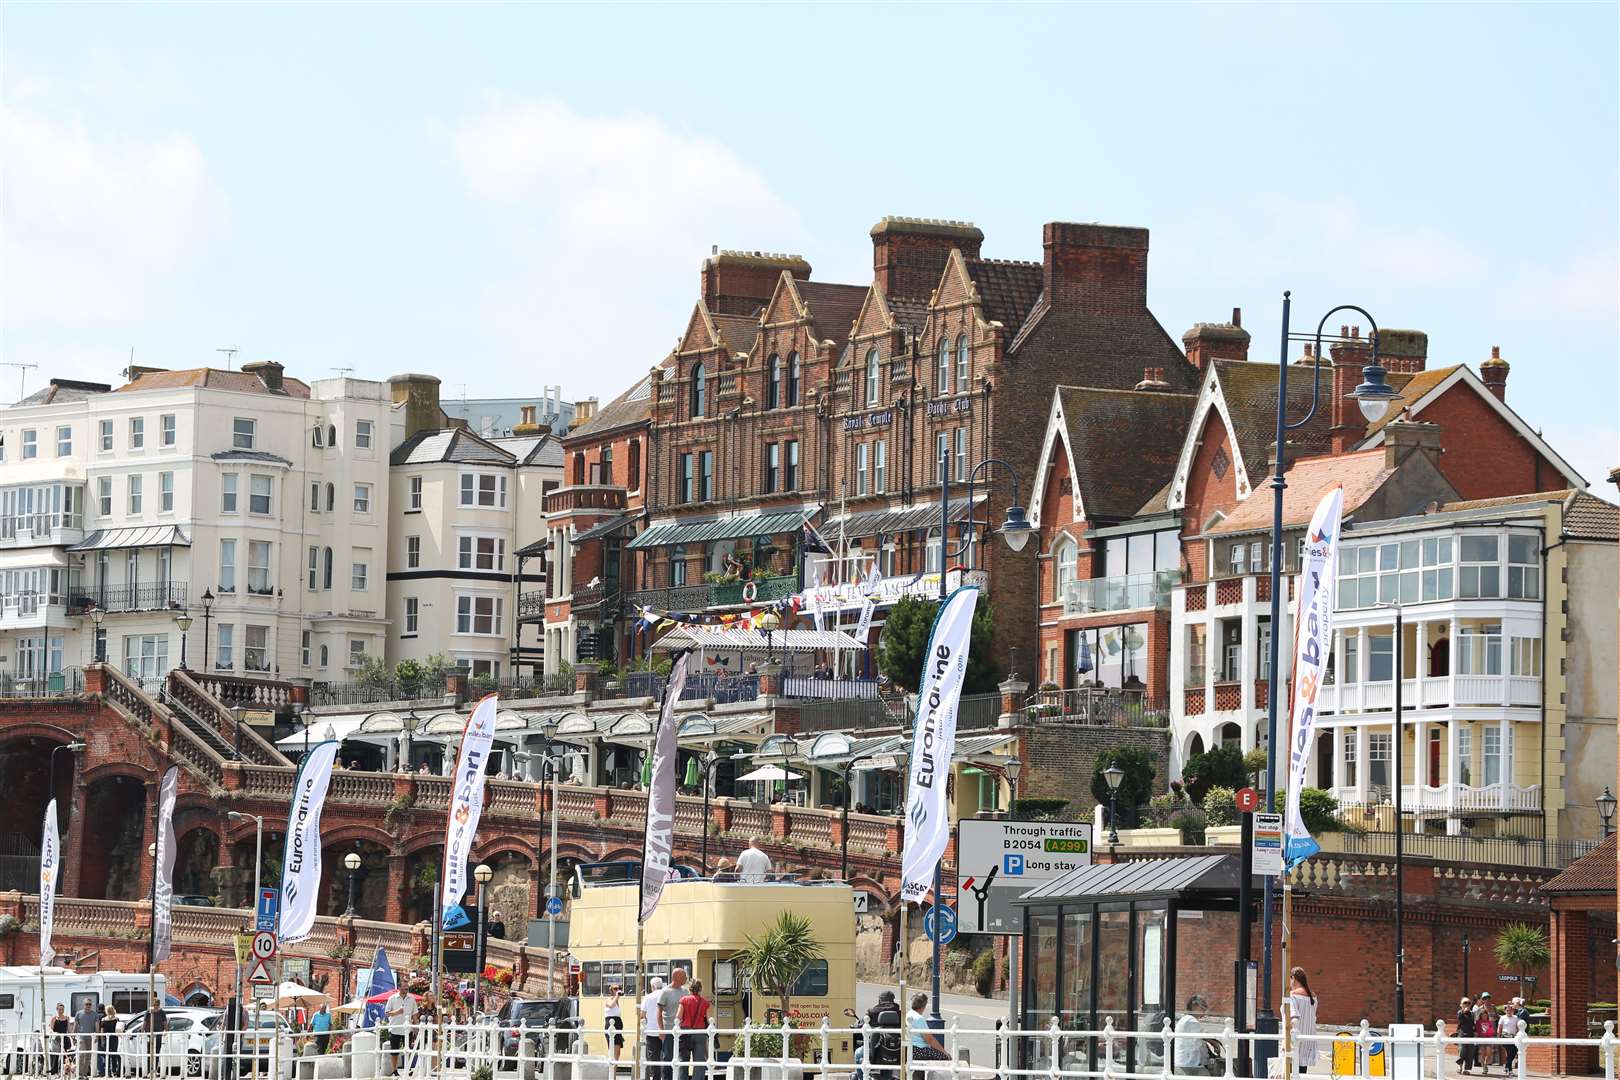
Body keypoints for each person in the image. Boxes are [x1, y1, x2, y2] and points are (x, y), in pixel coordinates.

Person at [676, 978, 711, 1080]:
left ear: (689, 989)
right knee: (699, 1063)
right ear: (700, 989)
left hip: (685, 1033)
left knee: (683, 1061)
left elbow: (678, 1017)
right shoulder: (705, 1003)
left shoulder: (684, 1000)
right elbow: (710, 1019)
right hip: (700, 1033)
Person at [906, 994, 948, 1077]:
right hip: (919, 1050)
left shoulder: (909, 1014)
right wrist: (945, 1052)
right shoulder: (919, 1018)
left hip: (910, 1049)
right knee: (944, 1058)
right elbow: (929, 1039)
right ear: (924, 1006)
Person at [1287, 968, 1318, 1074]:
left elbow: (1293, 1016)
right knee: (1302, 1071)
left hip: (1295, 1037)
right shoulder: (1312, 997)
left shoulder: (1293, 995)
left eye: (1290, 978)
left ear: (1293, 978)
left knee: (1291, 1071)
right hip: (1308, 1038)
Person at [1175, 995, 1212, 1075]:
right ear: (1195, 1007)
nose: (1204, 1011)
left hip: (1184, 1062)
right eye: (1202, 1008)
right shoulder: (1191, 1020)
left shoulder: (1186, 1019)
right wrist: (1215, 1043)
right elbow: (1203, 1036)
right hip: (1189, 1064)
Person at [384, 987, 415, 1075]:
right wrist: (397, 1012)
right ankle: (394, 1070)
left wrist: (416, 1028)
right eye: (405, 987)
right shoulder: (392, 998)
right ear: (400, 988)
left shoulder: (412, 999)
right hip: (395, 1028)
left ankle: (408, 1069)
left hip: (408, 1029)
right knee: (395, 1052)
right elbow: (386, 1013)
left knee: (408, 1050)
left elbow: (415, 1013)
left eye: (407, 987)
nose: (406, 989)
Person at [640, 977, 666, 1080]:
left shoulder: (648, 997)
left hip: (651, 1031)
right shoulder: (665, 994)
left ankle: (656, 1078)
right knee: (666, 1056)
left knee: (654, 1058)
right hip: (665, 1030)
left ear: (652, 987)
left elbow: (642, 1015)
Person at [74, 999, 99, 1078]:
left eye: (89, 1004)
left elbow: (97, 1025)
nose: (88, 1006)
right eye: (86, 1004)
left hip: (90, 1037)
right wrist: (72, 1034)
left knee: (88, 1056)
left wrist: (97, 1035)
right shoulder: (78, 1013)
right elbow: (75, 1024)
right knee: (81, 1055)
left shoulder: (95, 1014)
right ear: (83, 1004)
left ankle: (84, 1074)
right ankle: (79, 1073)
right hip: (81, 1037)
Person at [221, 997, 242, 1080]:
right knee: (230, 1058)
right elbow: (223, 1024)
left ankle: (226, 1076)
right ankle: (226, 1075)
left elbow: (223, 1024)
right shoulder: (243, 1011)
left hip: (231, 1037)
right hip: (230, 1037)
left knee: (226, 1058)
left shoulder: (228, 1011)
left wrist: (222, 1036)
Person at [603, 984, 625, 1061]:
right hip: (611, 1025)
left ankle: (614, 1072)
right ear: (611, 990)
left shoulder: (617, 1001)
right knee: (612, 1051)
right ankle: (611, 1071)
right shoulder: (609, 999)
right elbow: (611, 1005)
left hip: (618, 1026)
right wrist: (617, 996)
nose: (618, 990)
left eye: (619, 988)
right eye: (615, 988)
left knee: (617, 1052)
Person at [1456, 997, 1478, 1074]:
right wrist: (1464, 1012)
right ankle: (1460, 1066)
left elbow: (1472, 1022)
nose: (1467, 1004)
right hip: (1462, 1034)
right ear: (1461, 1005)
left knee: (1470, 1052)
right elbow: (1461, 1020)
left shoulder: (1472, 1013)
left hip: (1470, 1034)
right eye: (1465, 1003)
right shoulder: (1460, 1012)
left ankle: (1467, 1069)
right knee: (1462, 1051)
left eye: (1469, 1003)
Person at [98, 1004, 120, 1078]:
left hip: (106, 1039)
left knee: (107, 1056)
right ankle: (114, 1072)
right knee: (113, 1055)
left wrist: (102, 1040)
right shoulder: (116, 1019)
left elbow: (102, 1031)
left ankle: (107, 1072)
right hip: (114, 1038)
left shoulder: (103, 1020)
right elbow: (118, 1030)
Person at [1497, 1003, 1520, 1072]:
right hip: (1505, 1036)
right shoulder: (1502, 1018)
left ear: (1512, 1011)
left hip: (1513, 1037)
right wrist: (1499, 1037)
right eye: (1507, 1010)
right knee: (1509, 1052)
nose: (1509, 1012)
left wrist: (1518, 1035)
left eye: (1510, 1010)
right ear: (1505, 1011)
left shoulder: (1515, 1017)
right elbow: (1499, 1028)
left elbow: (1517, 1027)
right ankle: (1509, 1069)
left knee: (1514, 1052)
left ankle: (1507, 1066)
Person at [50, 1003, 70, 1075]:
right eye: (60, 1009)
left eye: (62, 1009)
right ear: (57, 1009)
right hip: (56, 1039)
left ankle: (64, 1071)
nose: (61, 1011)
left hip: (64, 1038)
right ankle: (54, 1071)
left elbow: (69, 1029)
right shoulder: (54, 1018)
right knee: (55, 1055)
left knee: (65, 1055)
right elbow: (51, 1029)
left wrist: (72, 1036)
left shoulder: (67, 1018)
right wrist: (55, 1034)